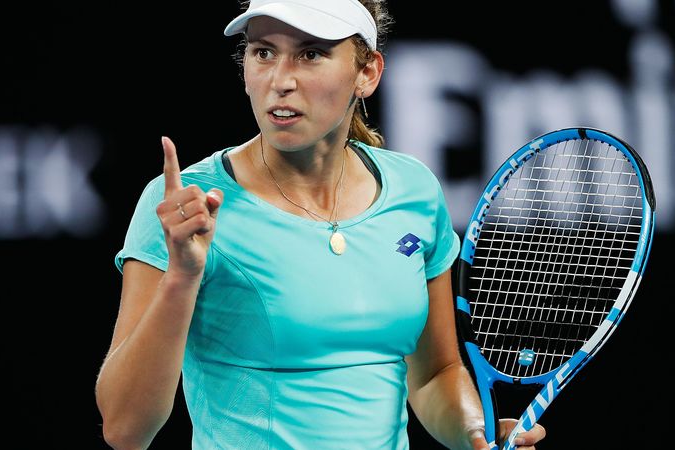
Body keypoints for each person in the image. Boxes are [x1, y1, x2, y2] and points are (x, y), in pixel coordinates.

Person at [95, 1, 547, 449]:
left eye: (311, 54)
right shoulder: (183, 206)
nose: (280, 80)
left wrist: (476, 434)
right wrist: (181, 277)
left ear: (367, 73)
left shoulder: (415, 190)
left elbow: (433, 375)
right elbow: (125, 429)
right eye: (263, 52)